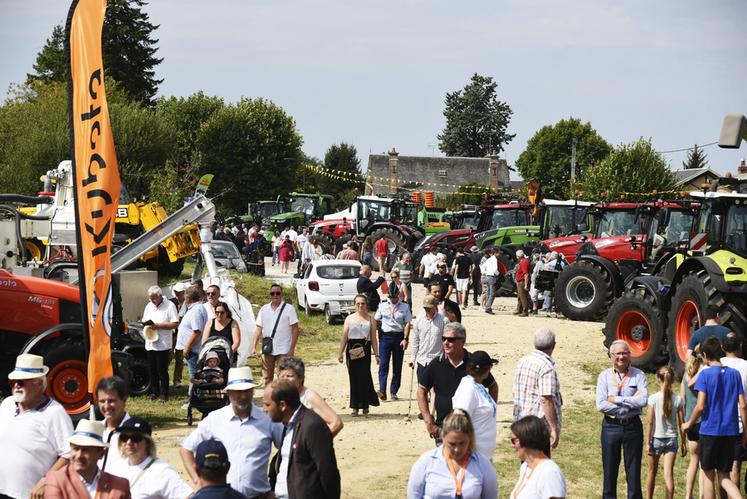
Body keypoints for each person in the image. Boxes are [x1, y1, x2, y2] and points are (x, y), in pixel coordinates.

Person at [181, 367, 283, 498]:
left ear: (253, 391)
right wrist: (198, 481)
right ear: (228, 393)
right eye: (238, 392)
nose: (243, 396)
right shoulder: (215, 419)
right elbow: (186, 449)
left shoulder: (267, 420)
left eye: (247, 391)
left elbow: (288, 451)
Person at [681, 336, 747, 499]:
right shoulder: (735, 374)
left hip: (710, 431)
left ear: (703, 354)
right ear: (720, 351)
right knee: (724, 475)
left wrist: (688, 423)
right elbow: (743, 405)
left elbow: (701, 405)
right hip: (730, 431)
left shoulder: (705, 375)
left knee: (708, 474)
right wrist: (745, 432)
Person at [0, 354, 73, 499]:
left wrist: (47, 480)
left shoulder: (55, 413)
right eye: (13, 382)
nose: (16, 386)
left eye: (21, 382)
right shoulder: (7, 404)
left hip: (28, 495)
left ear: (39, 383)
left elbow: (70, 454)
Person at [417, 323, 498, 442]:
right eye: (443, 339)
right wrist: (428, 420)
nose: (445, 343)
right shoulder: (436, 364)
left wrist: (488, 414)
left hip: (470, 431)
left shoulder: (473, 363)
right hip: (443, 430)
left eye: (451, 339)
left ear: (462, 341)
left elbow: (493, 386)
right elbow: (421, 391)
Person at [263, 380, 342, 499]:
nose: (263, 409)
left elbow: (328, 474)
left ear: (283, 405)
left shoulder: (312, 426)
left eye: (268, 405)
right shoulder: (288, 425)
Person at [596, 340, 649, 499]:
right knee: (609, 471)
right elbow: (601, 405)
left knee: (633, 472)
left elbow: (643, 401)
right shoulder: (604, 376)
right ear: (611, 356)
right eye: (617, 353)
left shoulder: (639, 375)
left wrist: (617, 400)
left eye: (624, 353)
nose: (621, 357)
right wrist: (631, 400)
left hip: (632, 426)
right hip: (610, 427)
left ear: (629, 354)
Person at [407, 409, 498, 499]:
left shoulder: (483, 464)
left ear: (470, 439)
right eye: (452, 444)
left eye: (462, 443)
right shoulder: (426, 462)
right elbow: (414, 495)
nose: (457, 449)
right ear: (443, 438)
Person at [44, 419, 130, 499]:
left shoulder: (120, 486)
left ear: (101, 454)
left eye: (86, 450)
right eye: (76, 449)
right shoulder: (56, 479)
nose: (79, 455)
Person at [110, 417, 193, 499]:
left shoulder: (162, 471)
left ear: (147, 442)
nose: (129, 442)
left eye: (136, 438)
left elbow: (189, 496)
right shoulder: (116, 467)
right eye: (124, 438)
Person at [513, 327, 563, 451]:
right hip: (538, 428)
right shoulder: (546, 367)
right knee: (539, 466)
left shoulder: (522, 361)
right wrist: (553, 428)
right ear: (553, 345)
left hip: (522, 423)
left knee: (526, 465)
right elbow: (546, 399)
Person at [277, 356, 344, 437]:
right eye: (282, 376)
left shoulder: (310, 397)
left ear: (301, 378)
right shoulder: (280, 397)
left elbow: (336, 423)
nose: (285, 379)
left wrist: (317, 443)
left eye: (289, 376)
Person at [645, 366, 685, 499]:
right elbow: (681, 423)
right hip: (672, 439)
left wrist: (647, 442)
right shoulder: (678, 399)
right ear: (673, 380)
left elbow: (650, 422)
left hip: (656, 438)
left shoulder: (653, 398)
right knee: (669, 474)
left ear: (657, 380)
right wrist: (683, 442)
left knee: (651, 472)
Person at [338, 294, 380, 416]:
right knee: (354, 378)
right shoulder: (349, 319)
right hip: (352, 349)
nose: (360, 306)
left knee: (365, 377)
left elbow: (373, 339)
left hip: (365, 350)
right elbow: (344, 337)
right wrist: (340, 353)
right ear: (354, 305)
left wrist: (377, 354)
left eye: (363, 303)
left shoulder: (371, 320)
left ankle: (365, 405)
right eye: (358, 304)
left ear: (366, 304)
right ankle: (355, 406)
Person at [452, 351, 499, 460]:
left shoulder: (477, 385)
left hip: (483, 456)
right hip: (472, 457)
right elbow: (458, 421)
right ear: (487, 369)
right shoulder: (468, 388)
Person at [252, 284, 300, 385]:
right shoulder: (264, 309)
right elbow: (258, 328)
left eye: (277, 293)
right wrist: (254, 346)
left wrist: (292, 348)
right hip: (268, 348)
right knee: (267, 377)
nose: (275, 295)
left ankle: (283, 399)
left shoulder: (289, 308)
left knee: (283, 378)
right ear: (269, 295)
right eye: (272, 293)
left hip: (284, 348)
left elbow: (295, 329)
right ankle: (269, 399)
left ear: (282, 294)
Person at [509, 415, 567, 499]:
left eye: (514, 441)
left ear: (527, 440)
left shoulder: (549, 472)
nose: (512, 445)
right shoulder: (525, 467)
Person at [374, 285, 412, 401]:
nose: (393, 299)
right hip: (385, 337)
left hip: (398, 337)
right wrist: (378, 334)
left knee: (397, 366)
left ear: (398, 295)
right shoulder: (382, 305)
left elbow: (407, 323)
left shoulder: (404, 306)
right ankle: (382, 390)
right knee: (383, 364)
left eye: (395, 296)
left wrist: (406, 338)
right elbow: (377, 320)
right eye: (391, 296)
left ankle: (394, 391)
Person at [142, 285, 179, 401]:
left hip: (163, 343)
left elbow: (175, 324)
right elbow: (144, 319)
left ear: (160, 296)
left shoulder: (169, 306)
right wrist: (144, 322)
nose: (152, 300)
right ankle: (154, 392)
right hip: (150, 341)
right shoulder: (149, 306)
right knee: (152, 369)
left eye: (154, 298)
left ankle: (164, 393)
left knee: (162, 369)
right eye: (150, 298)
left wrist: (158, 325)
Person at [721, 332, 747, 490]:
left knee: (721, 469)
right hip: (739, 422)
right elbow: (744, 404)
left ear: (722, 347)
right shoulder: (745, 366)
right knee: (735, 466)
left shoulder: (714, 365)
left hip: (718, 423)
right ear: (741, 347)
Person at [681, 347, 705, 499]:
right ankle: (703, 495)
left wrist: (684, 421)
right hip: (702, 421)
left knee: (693, 461)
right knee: (704, 465)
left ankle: (688, 495)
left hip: (689, 420)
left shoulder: (685, 375)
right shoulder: (703, 374)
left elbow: (682, 400)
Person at [410, 295, 448, 385]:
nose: (427, 310)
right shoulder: (418, 321)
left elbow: (447, 342)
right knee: (421, 389)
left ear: (435, 306)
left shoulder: (444, 321)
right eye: (425, 308)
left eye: (429, 308)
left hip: (437, 361)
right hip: (422, 361)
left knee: (435, 390)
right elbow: (415, 341)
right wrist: (412, 359)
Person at [97, 376, 131, 474]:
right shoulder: (95, 430)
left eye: (111, 401)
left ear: (124, 400)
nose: (106, 406)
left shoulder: (135, 435)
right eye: (102, 401)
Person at [177, 288, 209, 379]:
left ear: (187, 298)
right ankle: (195, 393)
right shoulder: (195, 308)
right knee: (195, 377)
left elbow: (197, 331)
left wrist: (187, 348)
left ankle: (197, 393)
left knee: (195, 378)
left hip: (193, 351)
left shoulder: (196, 310)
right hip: (193, 350)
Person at [170, 282, 188, 386]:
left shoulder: (188, 303)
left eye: (179, 293)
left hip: (182, 333)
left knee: (179, 357)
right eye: (176, 292)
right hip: (172, 332)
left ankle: (177, 379)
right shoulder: (171, 302)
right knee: (168, 355)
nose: (177, 295)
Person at [481, 248, 499, 314]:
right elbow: (495, 269)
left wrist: (485, 272)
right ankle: (488, 307)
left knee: (488, 292)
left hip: (487, 276)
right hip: (492, 276)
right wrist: (498, 274)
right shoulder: (494, 259)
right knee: (492, 293)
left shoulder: (488, 259)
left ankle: (486, 306)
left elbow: (482, 267)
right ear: (495, 253)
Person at [514, 249, 530, 317]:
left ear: (518, 256)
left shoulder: (524, 262)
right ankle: (519, 309)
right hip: (520, 281)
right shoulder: (524, 261)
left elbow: (526, 274)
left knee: (523, 297)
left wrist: (526, 285)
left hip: (522, 282)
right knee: (520, 296)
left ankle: (525, 311)